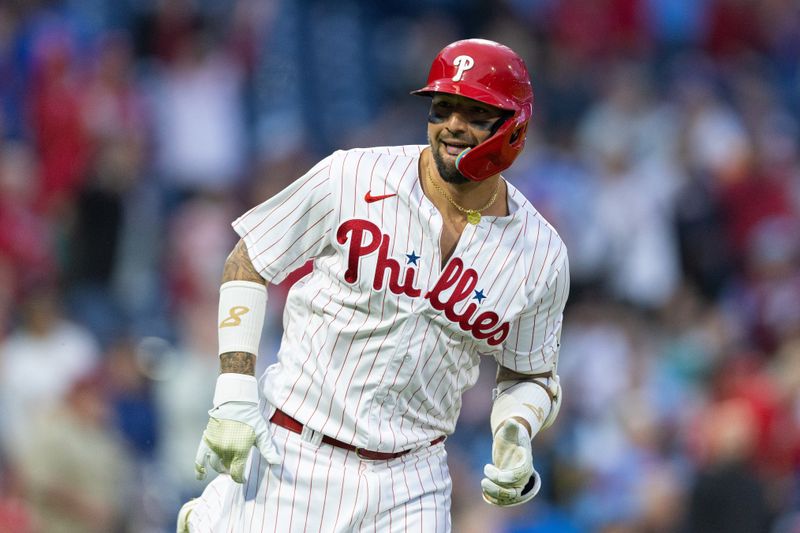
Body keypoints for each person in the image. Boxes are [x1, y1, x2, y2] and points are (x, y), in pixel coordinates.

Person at [179, 38, 570, 532]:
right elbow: (250, 259)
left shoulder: (540, 255)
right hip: (298, 452)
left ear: (514, 126)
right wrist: (235, 390)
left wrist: (516, 427)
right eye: (442, 106)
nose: (452, 124)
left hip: (414, 478)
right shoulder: (353, 174)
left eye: (475, 113)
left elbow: (530, 374)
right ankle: (219, 514)